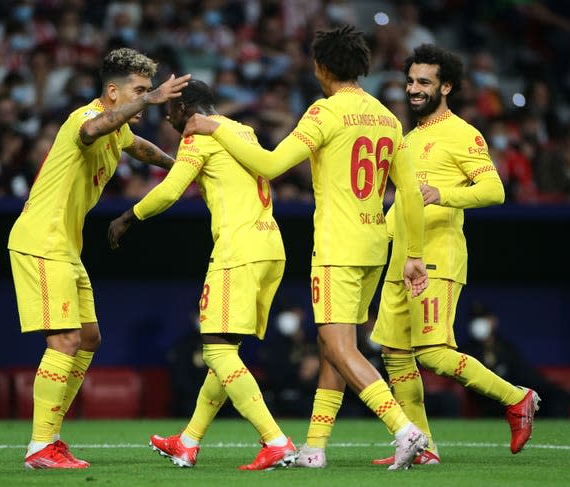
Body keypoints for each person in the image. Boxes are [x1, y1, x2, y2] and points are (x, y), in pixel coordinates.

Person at [183, 25, 430, 471]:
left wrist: (214, 125)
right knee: (332, 344)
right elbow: (409, 193)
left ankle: (405, 430)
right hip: (377, 242)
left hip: (338, 244)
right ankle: (315, 448)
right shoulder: (388, 118)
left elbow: (270, 164)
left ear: (321, 67)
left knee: (339, 346)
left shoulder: (324, 113)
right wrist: (412, 253)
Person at [7, 47, 190, 469]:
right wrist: (150, 100)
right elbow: (96, 129)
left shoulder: (119, 129)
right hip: (41, 241)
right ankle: (40, 447)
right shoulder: (84, 118)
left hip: (65, 247)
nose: (147, 97)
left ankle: (50, 437)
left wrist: (181, 166)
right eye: (139, 89)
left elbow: (138, 146)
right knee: (65, 341)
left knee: (88, 338)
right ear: (112, 92)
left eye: (148, 89)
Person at [107, 79, 296, 471]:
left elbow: (171, 190)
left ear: (184, 109)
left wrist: (129, 216)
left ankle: (275, 440)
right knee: (224, 354)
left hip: (237, 250)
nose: (169, 121)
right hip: (270, 248)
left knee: (215, 350)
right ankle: (188, 441)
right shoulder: (241, 130)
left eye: (169, 113)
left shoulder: (198, 138)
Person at [369, 44, 540, 466]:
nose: (414, 88)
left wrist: (441, 194)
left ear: (446, 86)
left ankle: (517, 398)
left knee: (432, 353)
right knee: (395, 354)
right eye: (410, 81)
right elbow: (405, 204)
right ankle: (421, 448)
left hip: (437, 258)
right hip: (399, 260)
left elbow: (494, 190)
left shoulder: (464, 133)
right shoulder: (408, 138)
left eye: (424, 82)